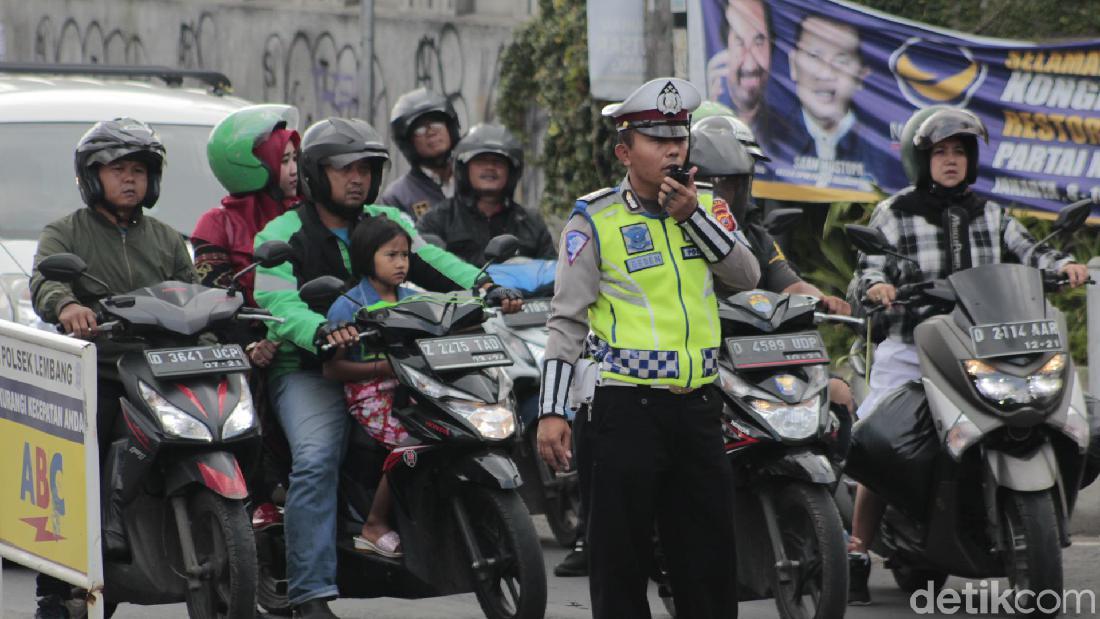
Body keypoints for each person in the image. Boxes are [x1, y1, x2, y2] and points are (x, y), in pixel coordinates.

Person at [252, 116, 520, 619]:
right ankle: (310, 593)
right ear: (314, 173)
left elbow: (434, 263)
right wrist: (319, 329)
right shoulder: (284, 232)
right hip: (313, 368)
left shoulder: (383, 220)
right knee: (315, 458)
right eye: (343, 168)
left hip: (393, 359)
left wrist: (487, 286)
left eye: (366, 168)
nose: (356, 178)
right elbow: (277, 302)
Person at [536, 77, 760, 619]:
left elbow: (746, 274)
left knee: (707, 565)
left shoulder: (707, 207)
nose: (673, 149)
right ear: (624, 151)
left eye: (678, 137)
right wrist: (551, 410)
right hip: (623, 411)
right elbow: (565, 321)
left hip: (698, 409)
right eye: (657, 139)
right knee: (620, 565)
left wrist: (692, 218)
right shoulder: (596, 219)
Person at [845, 107, 1088, 605]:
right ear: (921, 160)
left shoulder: (990, 213)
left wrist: (1065, 267)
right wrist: (877, 287)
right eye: (940, 153)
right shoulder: (895, 212)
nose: (951, 160)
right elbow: (867, 270)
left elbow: (1032, 254)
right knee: (877, 441)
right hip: (914, 346)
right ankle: (856, 550)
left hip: (985, 346)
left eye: (960, 152)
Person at [30, 118, 195, 618]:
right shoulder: (67, 231)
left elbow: (193, 291)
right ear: (91, 176)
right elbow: (45, 281)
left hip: (163, 368)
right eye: (118, 169)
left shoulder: (167, 239)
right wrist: (67, 307)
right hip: (99, 373)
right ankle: (57, 590)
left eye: (140, 170)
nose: (130, 179)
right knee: (82, 465)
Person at [192, 103, 302, 530]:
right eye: (283, 159)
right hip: (247, 343)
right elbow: (218, 298)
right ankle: (259, 494)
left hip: (306, 331)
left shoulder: (310, 213)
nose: (293, 169)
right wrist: (255, 342)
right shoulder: (216, 224)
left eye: (296, 158)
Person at [324, 218, 414, 558]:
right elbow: (332, 368)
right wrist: (384, 367)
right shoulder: (348, 305)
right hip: (370, 394)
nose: (401, 263)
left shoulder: (412, 297)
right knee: (410, 444)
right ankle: (374, 524)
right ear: (366, 256)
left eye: (405, 255)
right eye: (391, 255)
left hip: (411, 385)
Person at [417, 123, 556, 265]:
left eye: (498, 162)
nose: (490, 167)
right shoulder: (436, 221)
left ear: (511, 171)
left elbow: (552, 277)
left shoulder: (531, 223)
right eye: (481, 160)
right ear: (464, 169)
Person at [784, 13, 880, 186]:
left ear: (861, 74)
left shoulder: (881, 150)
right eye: (814, 56)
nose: (826, 74)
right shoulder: (771, 139)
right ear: (793, 64)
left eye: (841, 61)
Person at [378, 88, 461, 219]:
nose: (431, 132)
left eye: (437, 122)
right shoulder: (397, 196)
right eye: (420, 128)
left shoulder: (474, 180)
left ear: (450, 127)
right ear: (407, 141)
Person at [706, 0, 775, 142]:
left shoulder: (790, 137)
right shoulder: (706, 122)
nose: (750, 62)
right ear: (725, 51)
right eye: (740, 42)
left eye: (759, 41)